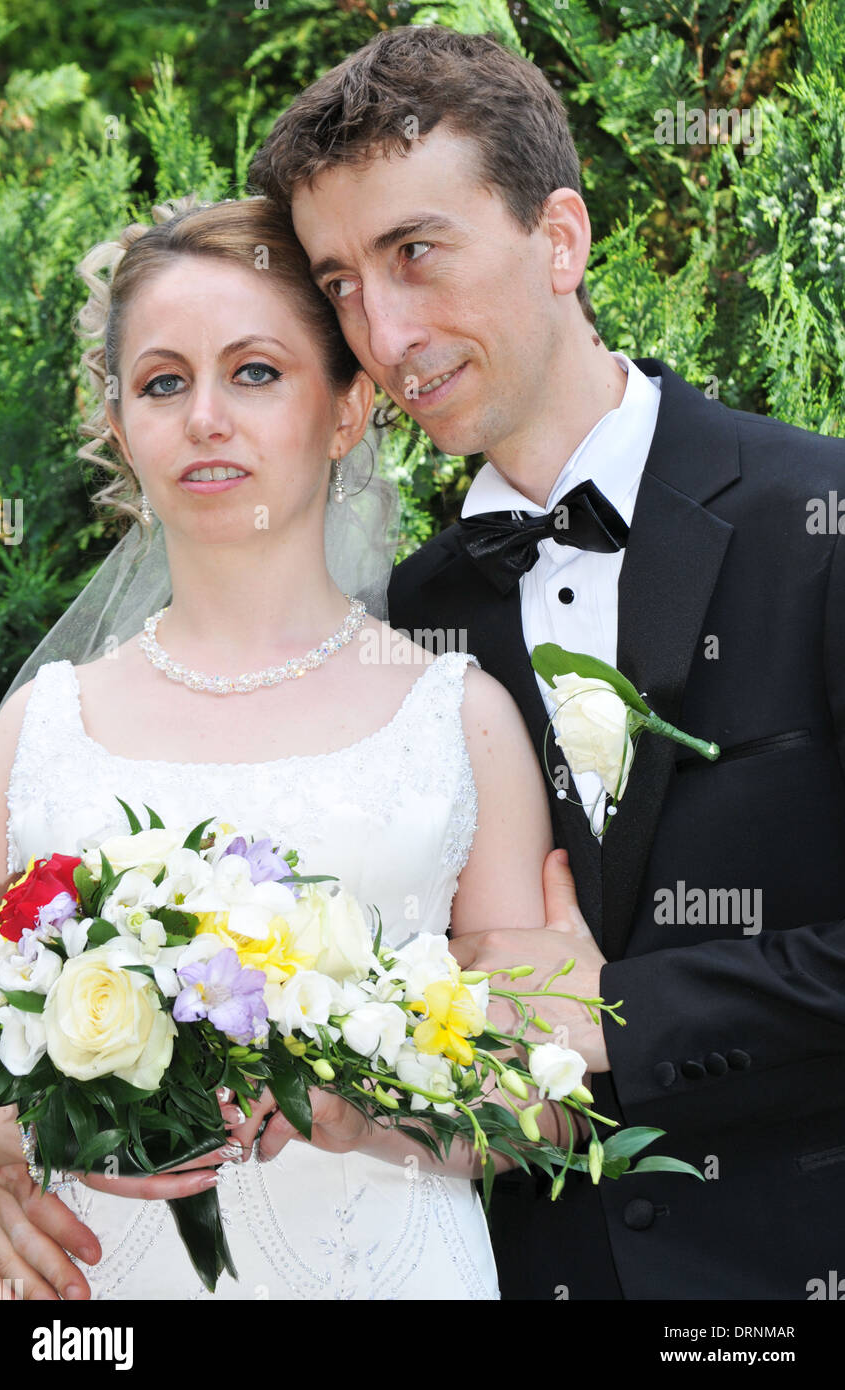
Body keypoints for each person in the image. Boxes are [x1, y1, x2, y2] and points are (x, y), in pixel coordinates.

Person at [242, 25, 845, 1299]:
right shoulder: (399, 629)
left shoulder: (817, 521)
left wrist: (622, 1009)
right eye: (340, 281)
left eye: (415, 253)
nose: (386, 330)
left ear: (558, 239)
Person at [0, 192, 584, 1300]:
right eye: (163, 382)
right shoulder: (38, 729)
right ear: (120, 423)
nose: (206, 416)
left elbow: (536, 1104)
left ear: (347, 407)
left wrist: (369, 1117)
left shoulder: (460, 719)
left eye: (255, 370)